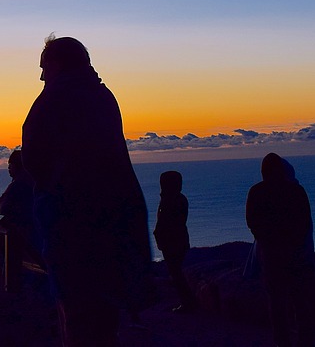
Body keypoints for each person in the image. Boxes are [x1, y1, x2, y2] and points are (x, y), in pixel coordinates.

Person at [21, 35, 153, 346]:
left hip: (71, 222)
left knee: (77, 309)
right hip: (114, 218)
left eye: (44, 67)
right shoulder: (104, 97)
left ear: (58, 64)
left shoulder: (53, 99)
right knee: (104, 309)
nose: (41, 76)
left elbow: (33, 158)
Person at [246, 152, 314, 347]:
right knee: (300, 298)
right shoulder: (296, 191)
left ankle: (281, 341)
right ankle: (305, 339)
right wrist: (296, 241)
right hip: (295, 251)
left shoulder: (257, 191)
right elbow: (304, 220)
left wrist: (265, 239)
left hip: (271, 253)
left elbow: (251, 220)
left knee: (276, 300)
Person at [154, 170, 198, 313]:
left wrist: (160, 236)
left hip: (173, 242)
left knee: (176, 273)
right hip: (177, 241)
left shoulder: (170, 201)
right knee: (176, 273)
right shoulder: (177, 199)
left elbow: (166, 223)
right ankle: (187, 301)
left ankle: (187, 303)